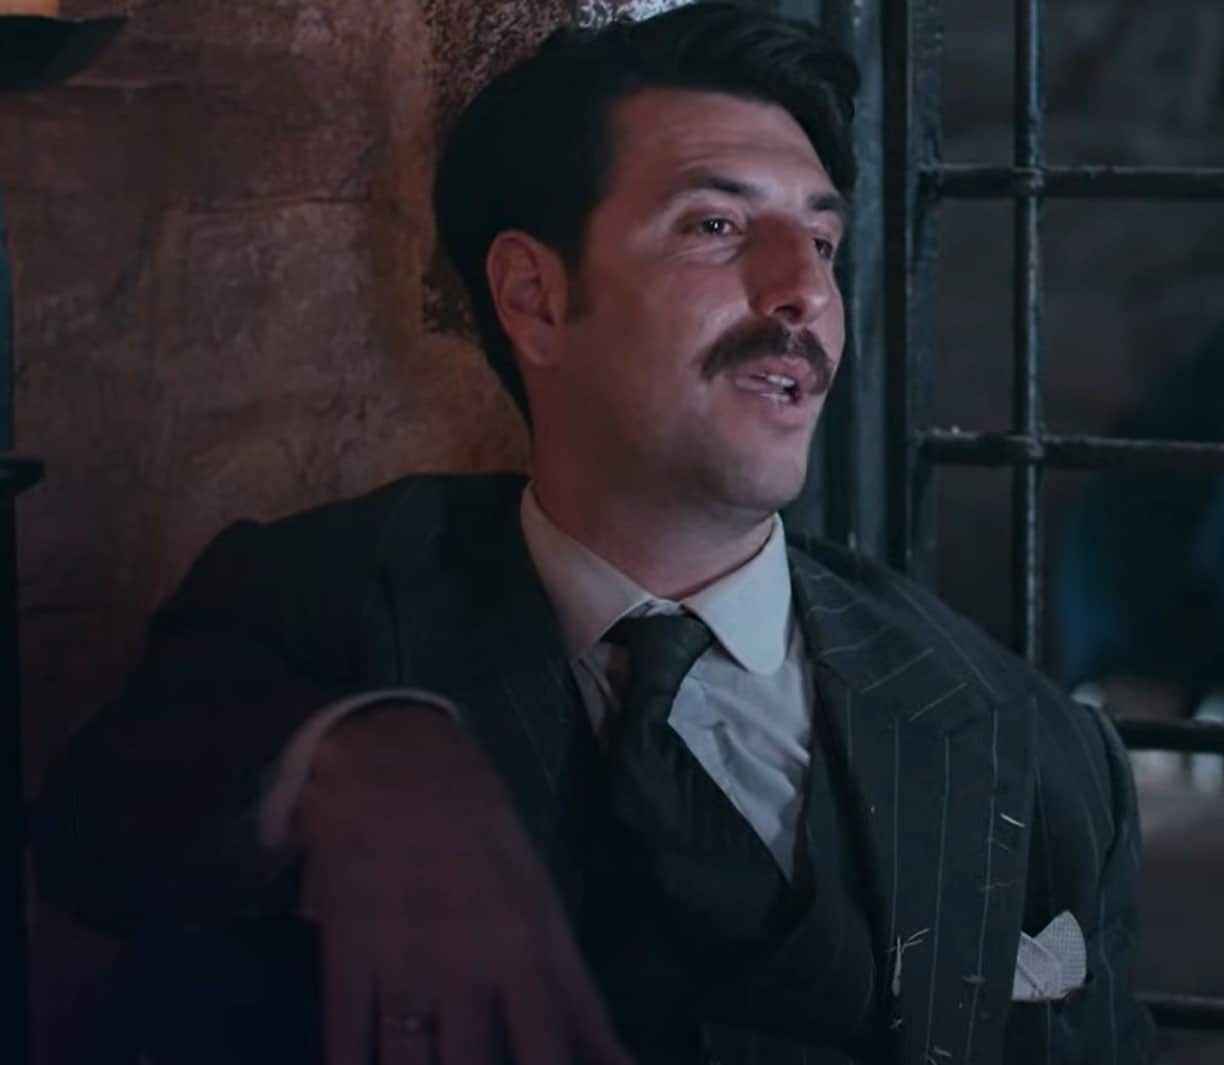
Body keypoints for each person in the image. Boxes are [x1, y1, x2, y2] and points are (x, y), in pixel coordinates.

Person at [32, 4, 1155, 1064]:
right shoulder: (315, 604)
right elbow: (101, 829)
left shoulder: (1034, 746)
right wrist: (355, 760)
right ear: (532, 297)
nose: (802, 292)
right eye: (716, 227)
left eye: (820, 240)